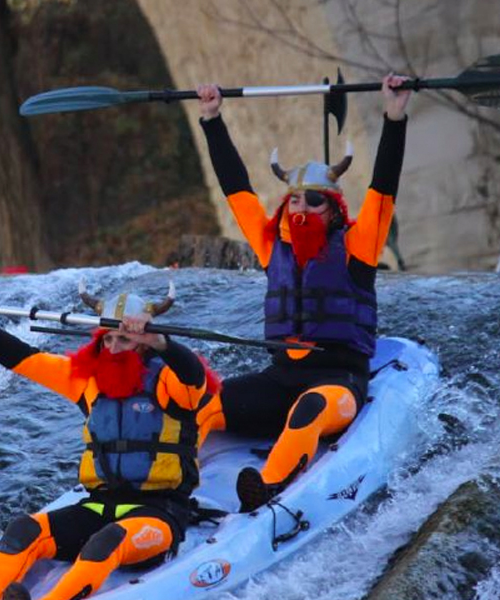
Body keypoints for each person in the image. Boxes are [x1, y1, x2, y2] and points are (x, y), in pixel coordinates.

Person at [194, 74, 413, 512]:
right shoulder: (271, 244)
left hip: (338, 384)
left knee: (309, 408)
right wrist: (212, 119)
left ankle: (268, 487)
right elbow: (236, 190)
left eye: (314, 202)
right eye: (295, 202)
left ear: (334, 210)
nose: (302, 209)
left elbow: (383, 188)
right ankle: (169, 483)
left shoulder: (357, 244)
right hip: (280, 379)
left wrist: (394, 117)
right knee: (206, 407)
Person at [0, 286, 215, 600]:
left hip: (159, 514)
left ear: (145, 345)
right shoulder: (87, 380)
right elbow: (24, 358)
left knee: (106, 541)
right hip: (98, 505)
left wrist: (160, 341)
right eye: (107, 339)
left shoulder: (171, 383)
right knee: (24, 530)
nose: (114, 348)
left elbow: (193, 375)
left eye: (124, 340)